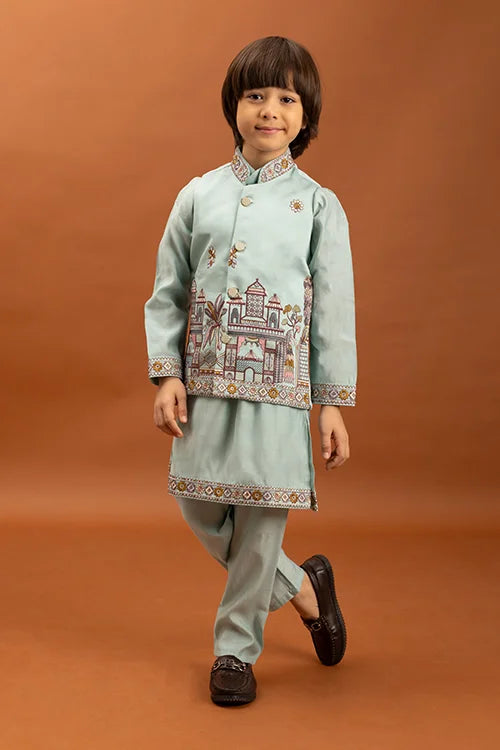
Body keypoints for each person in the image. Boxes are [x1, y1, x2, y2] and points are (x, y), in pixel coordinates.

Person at [144, 35, 357, 706]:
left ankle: (235, 651)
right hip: (205, 384)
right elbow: (168, 292)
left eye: (287, 99)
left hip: (280, 391)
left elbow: (334, 312)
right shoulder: (198, 195)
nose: (270, 110)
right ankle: (305, 588)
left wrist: (331, 402)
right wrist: (167, 374)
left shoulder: (318, 205)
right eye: (256, 95)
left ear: (306, 114)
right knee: (199, 501)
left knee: (262, 517)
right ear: (233, 106)